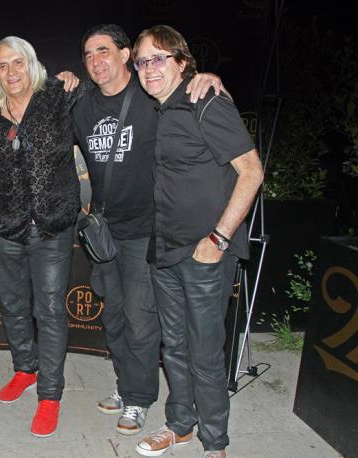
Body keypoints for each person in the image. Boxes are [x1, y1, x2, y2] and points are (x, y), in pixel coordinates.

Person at [71, 24, 224, 437]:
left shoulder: (150, 97)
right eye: (88, 54)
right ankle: (127, 385)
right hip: (104, 231)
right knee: (114, 317)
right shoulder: (81, 108)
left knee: (140, 320)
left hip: (146, 229)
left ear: (125, 55)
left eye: (103, 51)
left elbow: (189, 94)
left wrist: (209, 78)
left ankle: (139, 398)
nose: (95, 61)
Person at [132, 25, 263, 458]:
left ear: (182, 62)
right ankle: (180, 426)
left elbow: (252, 172)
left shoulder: (206, 101)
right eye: (142, 61)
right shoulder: (159, 109)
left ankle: (215, 443)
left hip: (204, 254)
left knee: (205, 352)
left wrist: (218, 238)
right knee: (174, 346)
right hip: (164, 251)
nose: (148, 68)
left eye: (158, 58)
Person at [0, 36, 85, 438]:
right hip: (4, 226)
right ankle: (25, 368)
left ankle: (50, 393)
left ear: (32, 63)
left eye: (18, 62)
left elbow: (108, 95)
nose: (11, 72)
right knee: (12, 305)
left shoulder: (59, 97)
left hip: (52, 226)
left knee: (51, 311)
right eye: (3, 65)